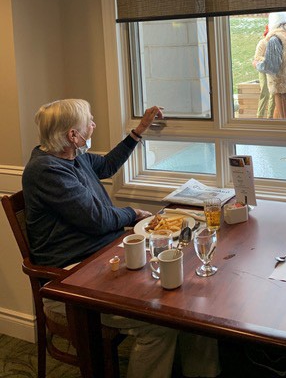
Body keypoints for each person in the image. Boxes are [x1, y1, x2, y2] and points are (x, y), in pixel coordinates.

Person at [22, 99, 220, 378]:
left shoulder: (72, 156)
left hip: (105, 256)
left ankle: (202, 373)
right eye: (89, 122)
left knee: (186, 295)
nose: (93, 125)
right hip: (70, 276)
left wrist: (139, 131)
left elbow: (106, 165)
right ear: (73, 135)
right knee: (159, 322)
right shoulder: (47, 170)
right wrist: (132, 213)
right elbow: (97, 219)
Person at [252, 24, 275, 119]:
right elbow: (257, 56)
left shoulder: (276, 43)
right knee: (265, 92)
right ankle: (260, 116)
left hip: (273, 70)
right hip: (263, 70)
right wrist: (268, 60)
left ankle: (270, 117)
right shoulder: (263, 42)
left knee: (273, 93)